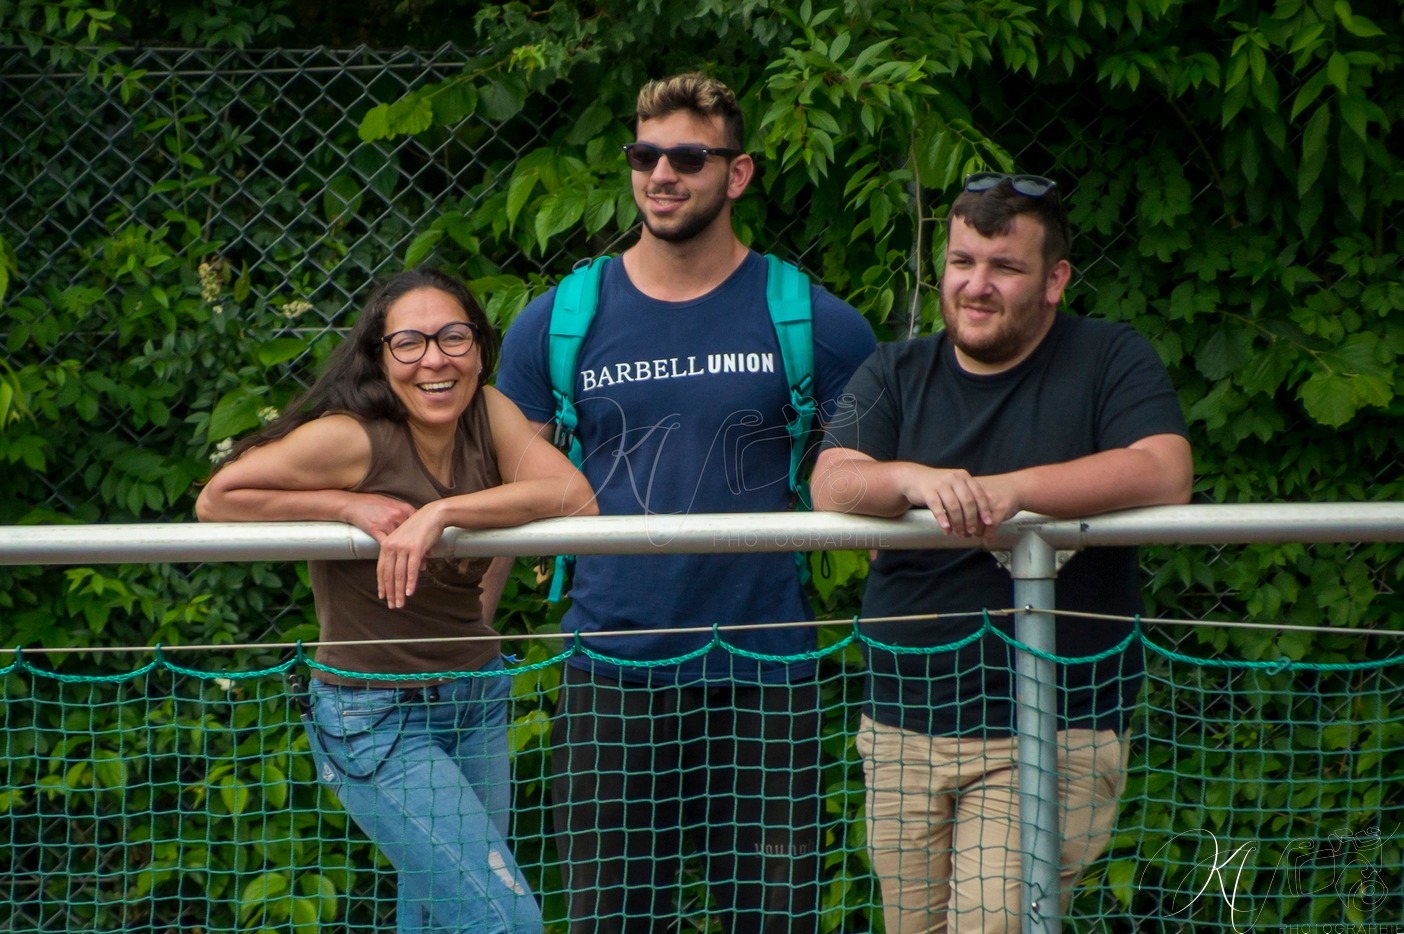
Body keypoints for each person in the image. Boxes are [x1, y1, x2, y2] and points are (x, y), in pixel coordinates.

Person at [491, 73, 876, 932]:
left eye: (688, 157)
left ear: (736, 174)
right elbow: (505, 499)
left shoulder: (816, 322)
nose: (662, 175)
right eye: (644, 154)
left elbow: (879, 479)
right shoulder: (558, 321)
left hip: (765, 668)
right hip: (612, 668)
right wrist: (467, 638)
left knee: (774, 917)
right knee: (610, 918)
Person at [811, 173, 1193, 933]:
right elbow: (831, 480)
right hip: (900, 725)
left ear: (1055, 280)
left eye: (1003, 267)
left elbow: (1163, 469)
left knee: (992, 925)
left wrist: (1012, 493)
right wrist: (912, 480)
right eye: (961, 262)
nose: (975, 286)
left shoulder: (1111, 356)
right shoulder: (890, 370)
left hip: (1049, 727)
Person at [196, 267, 596, 934]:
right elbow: (218, 499)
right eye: (408, 342)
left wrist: (440, 514)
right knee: (508, 921)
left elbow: (575, 497)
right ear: (380, 358)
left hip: (477, 699)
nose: (434, 360)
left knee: (442, 917)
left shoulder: (488, 412)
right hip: (373, 715)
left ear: (479, 347)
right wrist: (346, 504)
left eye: (453, 337)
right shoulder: (351, 437)